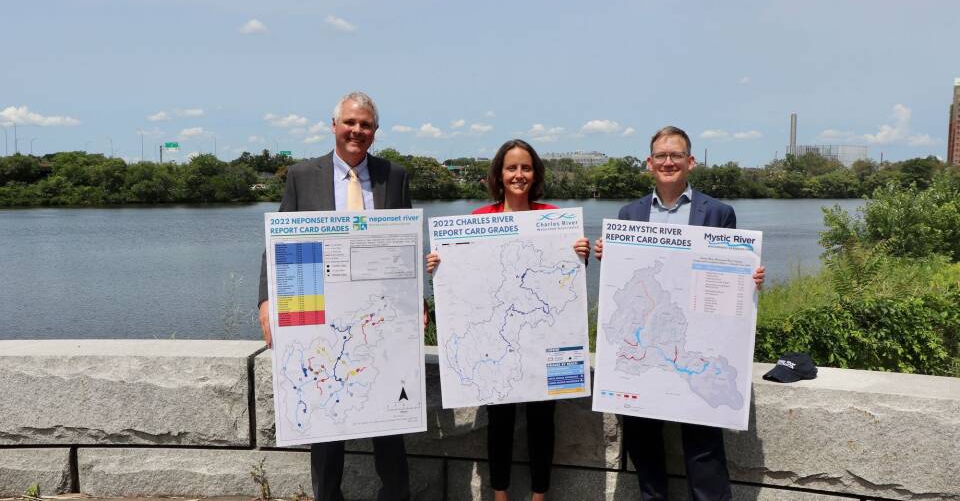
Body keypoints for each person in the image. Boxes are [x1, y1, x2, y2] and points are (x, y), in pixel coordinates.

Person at [594, 125, 765, 501]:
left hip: (695, 346)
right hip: (646, 347)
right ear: (649, 163)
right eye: (661, 156)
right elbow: (628, 280)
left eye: (675, 155)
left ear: (691, 162)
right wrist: (610, 257)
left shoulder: (718, 212)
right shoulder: (629, 213)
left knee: (704, 446)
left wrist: (749, 278)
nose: (668, 162)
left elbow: (728, 276)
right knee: (642, 441)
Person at [257, 91, 412, 501]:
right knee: (326, 424)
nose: (357, 131)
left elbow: (407, 248)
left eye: (366, 125)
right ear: (334, 126)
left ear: (375, 131)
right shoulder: (302, 175)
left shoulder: (394, 176)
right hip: (322, 316)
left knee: (390, 421)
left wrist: (420, 302)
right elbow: (278, 244)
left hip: (381, 318)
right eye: (350, 122)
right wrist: (266, 301)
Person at [426, 139, 590, 501]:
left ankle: (539, 496)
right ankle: (499, 495)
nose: (519, 174)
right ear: (499, 175)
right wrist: (439, 267)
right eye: (511, 168)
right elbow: (464, 283)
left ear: (535, 174)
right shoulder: (478, 219)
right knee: (499, 423)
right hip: (498, 343)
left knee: (542, 423)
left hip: (542, 338)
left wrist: (581, 255)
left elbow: (568, 284)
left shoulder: (554, 218)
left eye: (526, 168)